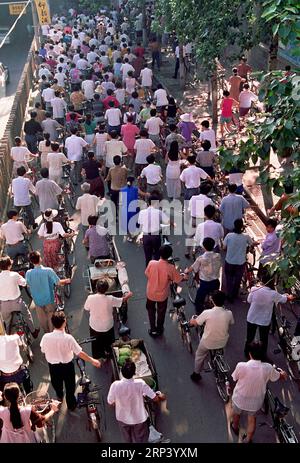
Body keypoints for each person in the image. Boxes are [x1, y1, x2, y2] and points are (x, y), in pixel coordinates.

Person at [40, 311, 101, 411]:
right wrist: (92, 360)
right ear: (64, 322)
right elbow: (79, 353)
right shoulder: (69, 338)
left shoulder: (46, 337)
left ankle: (59, 396)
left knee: (56, 384)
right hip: (67, 367)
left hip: (53, 367)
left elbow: (43, 349)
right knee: (70, 387)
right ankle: (71, 405)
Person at [231, 342, 286, 443]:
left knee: (236, 414)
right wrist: (282, 374)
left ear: (250, 354)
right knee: (252, 420)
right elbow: (278, 377)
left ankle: (235, 427)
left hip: (239, 398)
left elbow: (234, 378)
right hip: (255, 402)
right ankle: (248, 440)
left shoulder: (241, 366)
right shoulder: (268, 368)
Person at [107, 359, 165, 443]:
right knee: (140, 439)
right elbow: (154, 398)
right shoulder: (140, 383)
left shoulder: (115, 385)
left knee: (127, 438)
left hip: (122, 418)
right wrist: (160, 396)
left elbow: (110, 402)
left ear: (121, 372)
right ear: (134, 373)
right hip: (139, 419)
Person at [245, 273, 293, 358]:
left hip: (252, 317)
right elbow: (284, 299)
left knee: (249, 338)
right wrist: (289, 296)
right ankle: (262, 355)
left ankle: (247, 353)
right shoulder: (273, 294)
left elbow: (249, 300)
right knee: (263, 339)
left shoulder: (254, 289)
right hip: (264, 320)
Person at [189, 291, 234, 381]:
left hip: (207, 342)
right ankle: (220, 362)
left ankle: (196, 374)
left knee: (199, 355)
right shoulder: (229, 313)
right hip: (223, 341)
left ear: (212, 301)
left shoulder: (207, 312)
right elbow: (232, 322)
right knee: (220, 350)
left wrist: (192, 320)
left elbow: (196, 322)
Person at [84, 279, 133, 359]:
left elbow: (86, 308)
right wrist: (129, 295)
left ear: (96, 287)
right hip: (108, 326)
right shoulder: (110, 298)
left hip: (95, 326)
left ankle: (99, 356)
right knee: (109, 342)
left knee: (96, 343)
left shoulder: (90, 298)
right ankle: (110, 353)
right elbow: (122, 300)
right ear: (107, 289)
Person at [145, 244, 186, 337]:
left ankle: (152, 329)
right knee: (161, 312)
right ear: (169, 255)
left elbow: (147, 274)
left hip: (150, 293)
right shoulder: (170, 268)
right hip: (162, 295)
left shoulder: (151, 263)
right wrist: (184, 277)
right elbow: (178, 279)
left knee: (150, 310)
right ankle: (159, 329)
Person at [25, 251, 70, 333]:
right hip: (49, 299)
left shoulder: (28, 273)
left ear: (31, 261)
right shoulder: (48, 271)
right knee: (51, 316)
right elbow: (58, 282)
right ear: (40, 259)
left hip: (37, 301)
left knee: (42, 319)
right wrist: (67, 280)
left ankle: (46, 333)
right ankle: (52, 332)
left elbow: (27, 284)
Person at [0, 256, 39, 338]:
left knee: (7, 322)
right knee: (27, 315)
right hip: (17, 303)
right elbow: (24, 283)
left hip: (4, 305)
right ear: (9, 265)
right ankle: (33, 332)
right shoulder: (14, 275)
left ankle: (8, 337)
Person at [185, 238, 222, 314]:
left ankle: (199, 316)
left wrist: (186, 271)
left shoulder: (201, 259)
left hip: (205, 284)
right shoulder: (218, 256)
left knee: (198, 302)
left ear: (204, 247)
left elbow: (193, 267)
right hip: (216, 282)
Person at [223, 219, 256, 302]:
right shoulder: (246, 236)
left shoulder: (229, 236)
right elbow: (252, 244)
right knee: (237, 279)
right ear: (242, 227)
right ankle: (235, 294)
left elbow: (224, 247)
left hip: (229, 261)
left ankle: (229, 294)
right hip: (241, 262)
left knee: (229, 278)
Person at [138, 193, 170, 266]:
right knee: (157, 255)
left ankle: (149, 271)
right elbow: (167, 221)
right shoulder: (158, 212)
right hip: (155, 236)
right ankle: (156, 270)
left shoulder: (142, 212)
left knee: (147, 256)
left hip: (146, 236)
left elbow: (140, 225)